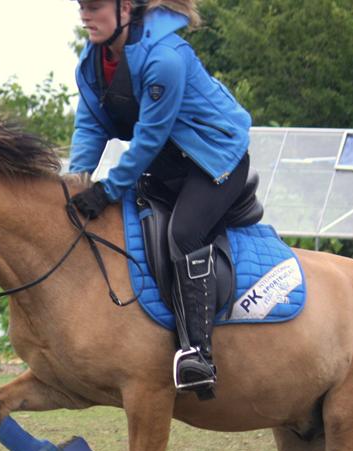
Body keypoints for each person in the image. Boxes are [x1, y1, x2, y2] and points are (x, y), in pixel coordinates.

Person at [68, 0, 252, 396]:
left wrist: (108, 188)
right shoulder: (93, 60)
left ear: (126, 7)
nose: (85, 15)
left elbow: (150, 137)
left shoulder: (166, 58)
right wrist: (73, 183)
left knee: (184, 234)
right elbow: (90, 125)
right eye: (81, 6)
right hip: (168, 163)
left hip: (213, 160)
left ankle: (199, 355)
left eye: (94, 6)